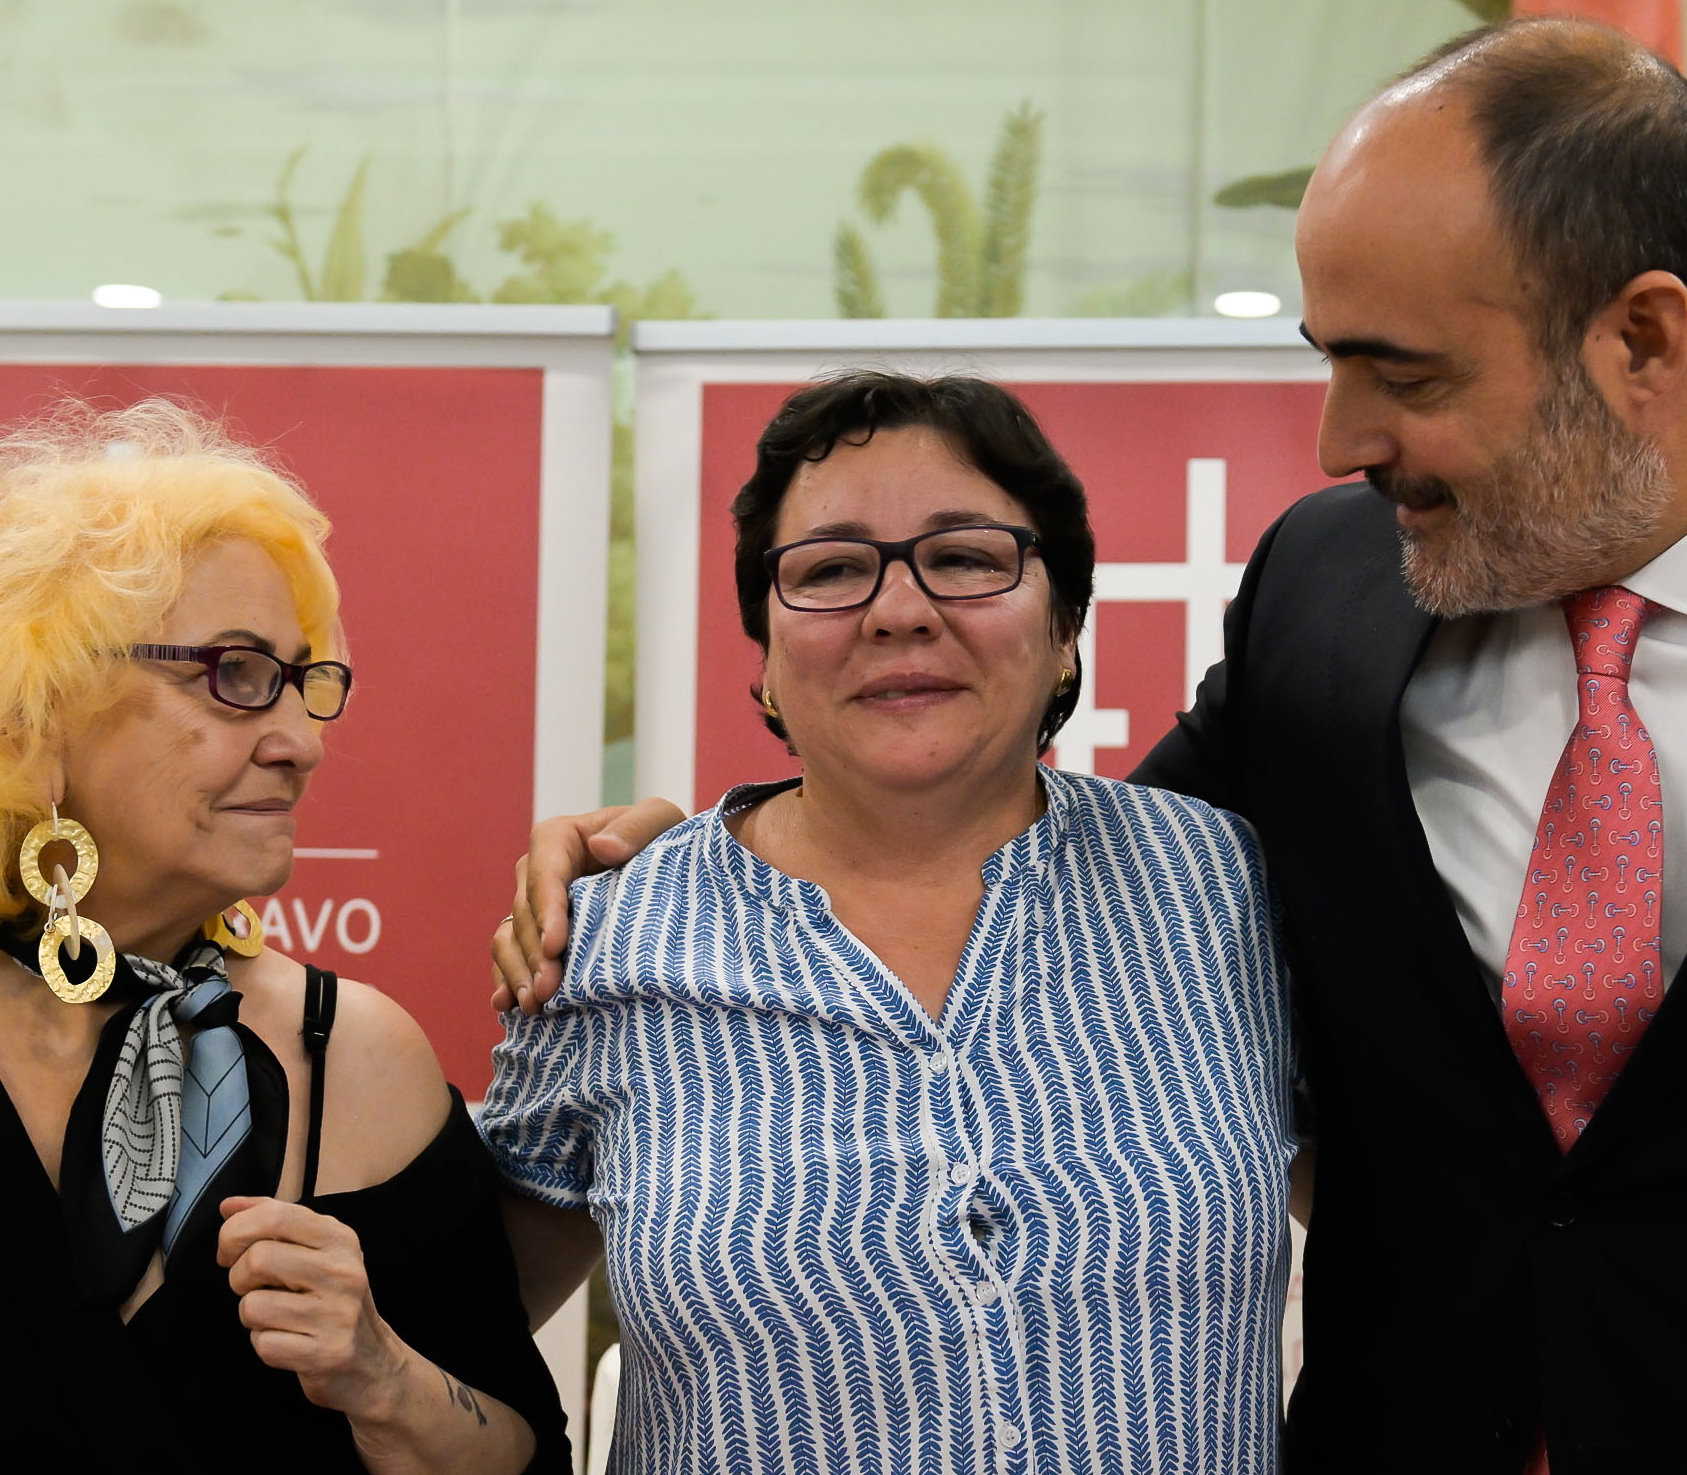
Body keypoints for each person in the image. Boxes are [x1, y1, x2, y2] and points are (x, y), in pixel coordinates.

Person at [498, 18, 1687, 1474]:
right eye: (1327, 360)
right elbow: (1055, 892)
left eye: (1402, 373)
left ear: (1643, 341)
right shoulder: (1329, 596)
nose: (1336, 438)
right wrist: (724, 860)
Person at [0, 400, 568, 1474]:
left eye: (303, 681)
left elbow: (526, 1455)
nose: (299, 741)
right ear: (25, 720)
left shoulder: (364, 1060)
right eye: (232, 674)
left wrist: (383, 1376)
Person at [480, 372, 1298, 1474]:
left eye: (963, 557)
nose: (899, 609)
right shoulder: (610, 936)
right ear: (763, 655)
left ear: (1064, 626)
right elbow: (460, 1339)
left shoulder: (1220, 887)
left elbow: (1420, 1234)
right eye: (829, 569)